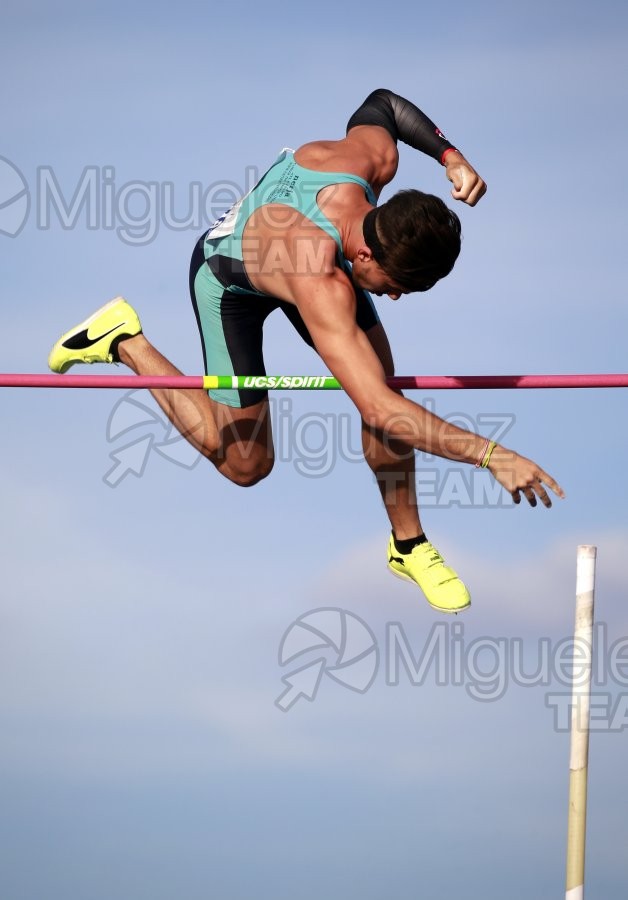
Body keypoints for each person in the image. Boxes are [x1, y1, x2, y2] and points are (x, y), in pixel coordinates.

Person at [48, 88, 564, 614]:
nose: (392, 296)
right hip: (230, 283)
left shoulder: (370, 158)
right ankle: (122, 339)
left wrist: (451, 157)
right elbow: (380, 410)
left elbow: (384, 104)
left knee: (378, 377)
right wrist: (493, 455)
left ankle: (408, 546)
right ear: (366, 252)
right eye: (394, 284)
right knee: (248, 464)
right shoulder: (323, 280)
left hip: (296, 249)